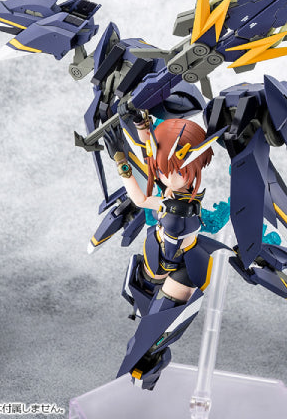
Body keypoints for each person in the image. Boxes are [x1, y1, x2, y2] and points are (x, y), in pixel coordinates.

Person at [104, 113, 226, 390]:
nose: (165, 175)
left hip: (181, 269)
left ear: (191, 168)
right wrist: (143, 126)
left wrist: (121, 161)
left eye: (176, 170)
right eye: (162, 169)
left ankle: (145, 374)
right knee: (141, 307)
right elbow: (152, 156)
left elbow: (140, 198)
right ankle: (142, 370)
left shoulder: (177, 207)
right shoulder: (174, 191)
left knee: (154, 333)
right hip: (157, 262)